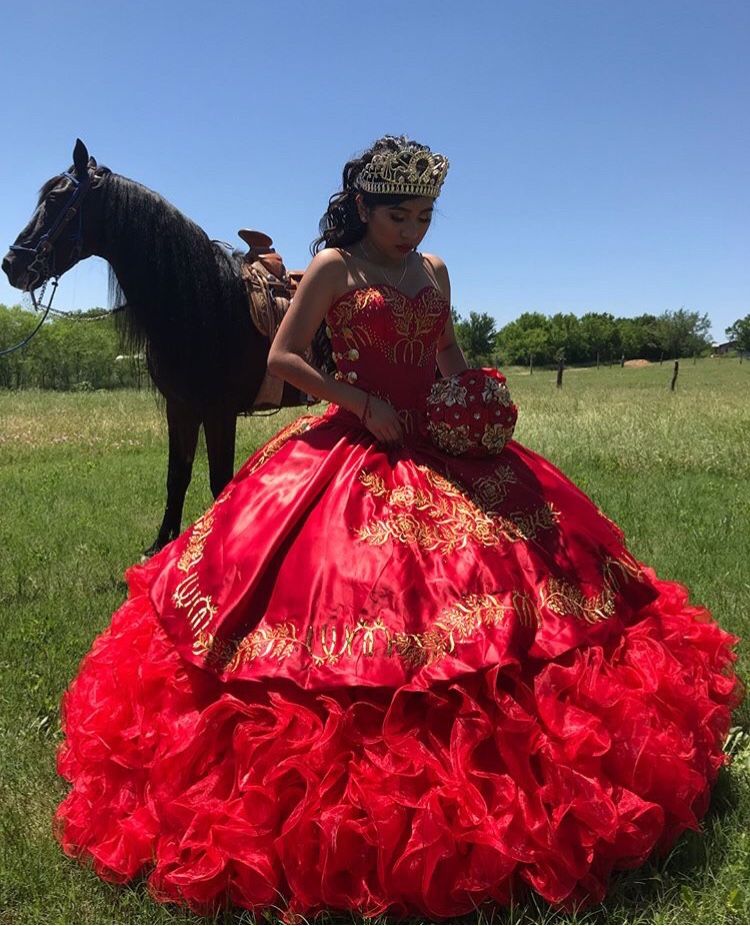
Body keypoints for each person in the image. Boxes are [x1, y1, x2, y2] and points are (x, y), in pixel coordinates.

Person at [55, 135, 741, 919]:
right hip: (355, 441)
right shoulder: (333, 270)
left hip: (441, 439)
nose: (411, 232)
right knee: (353, 592)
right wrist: (363, 403)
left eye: (422, 217)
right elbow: (284, 359)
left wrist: (471, 394)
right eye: (397, 217)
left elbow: (444, 348)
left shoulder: (436, 270)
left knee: (526, 585)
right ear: (362, 209)